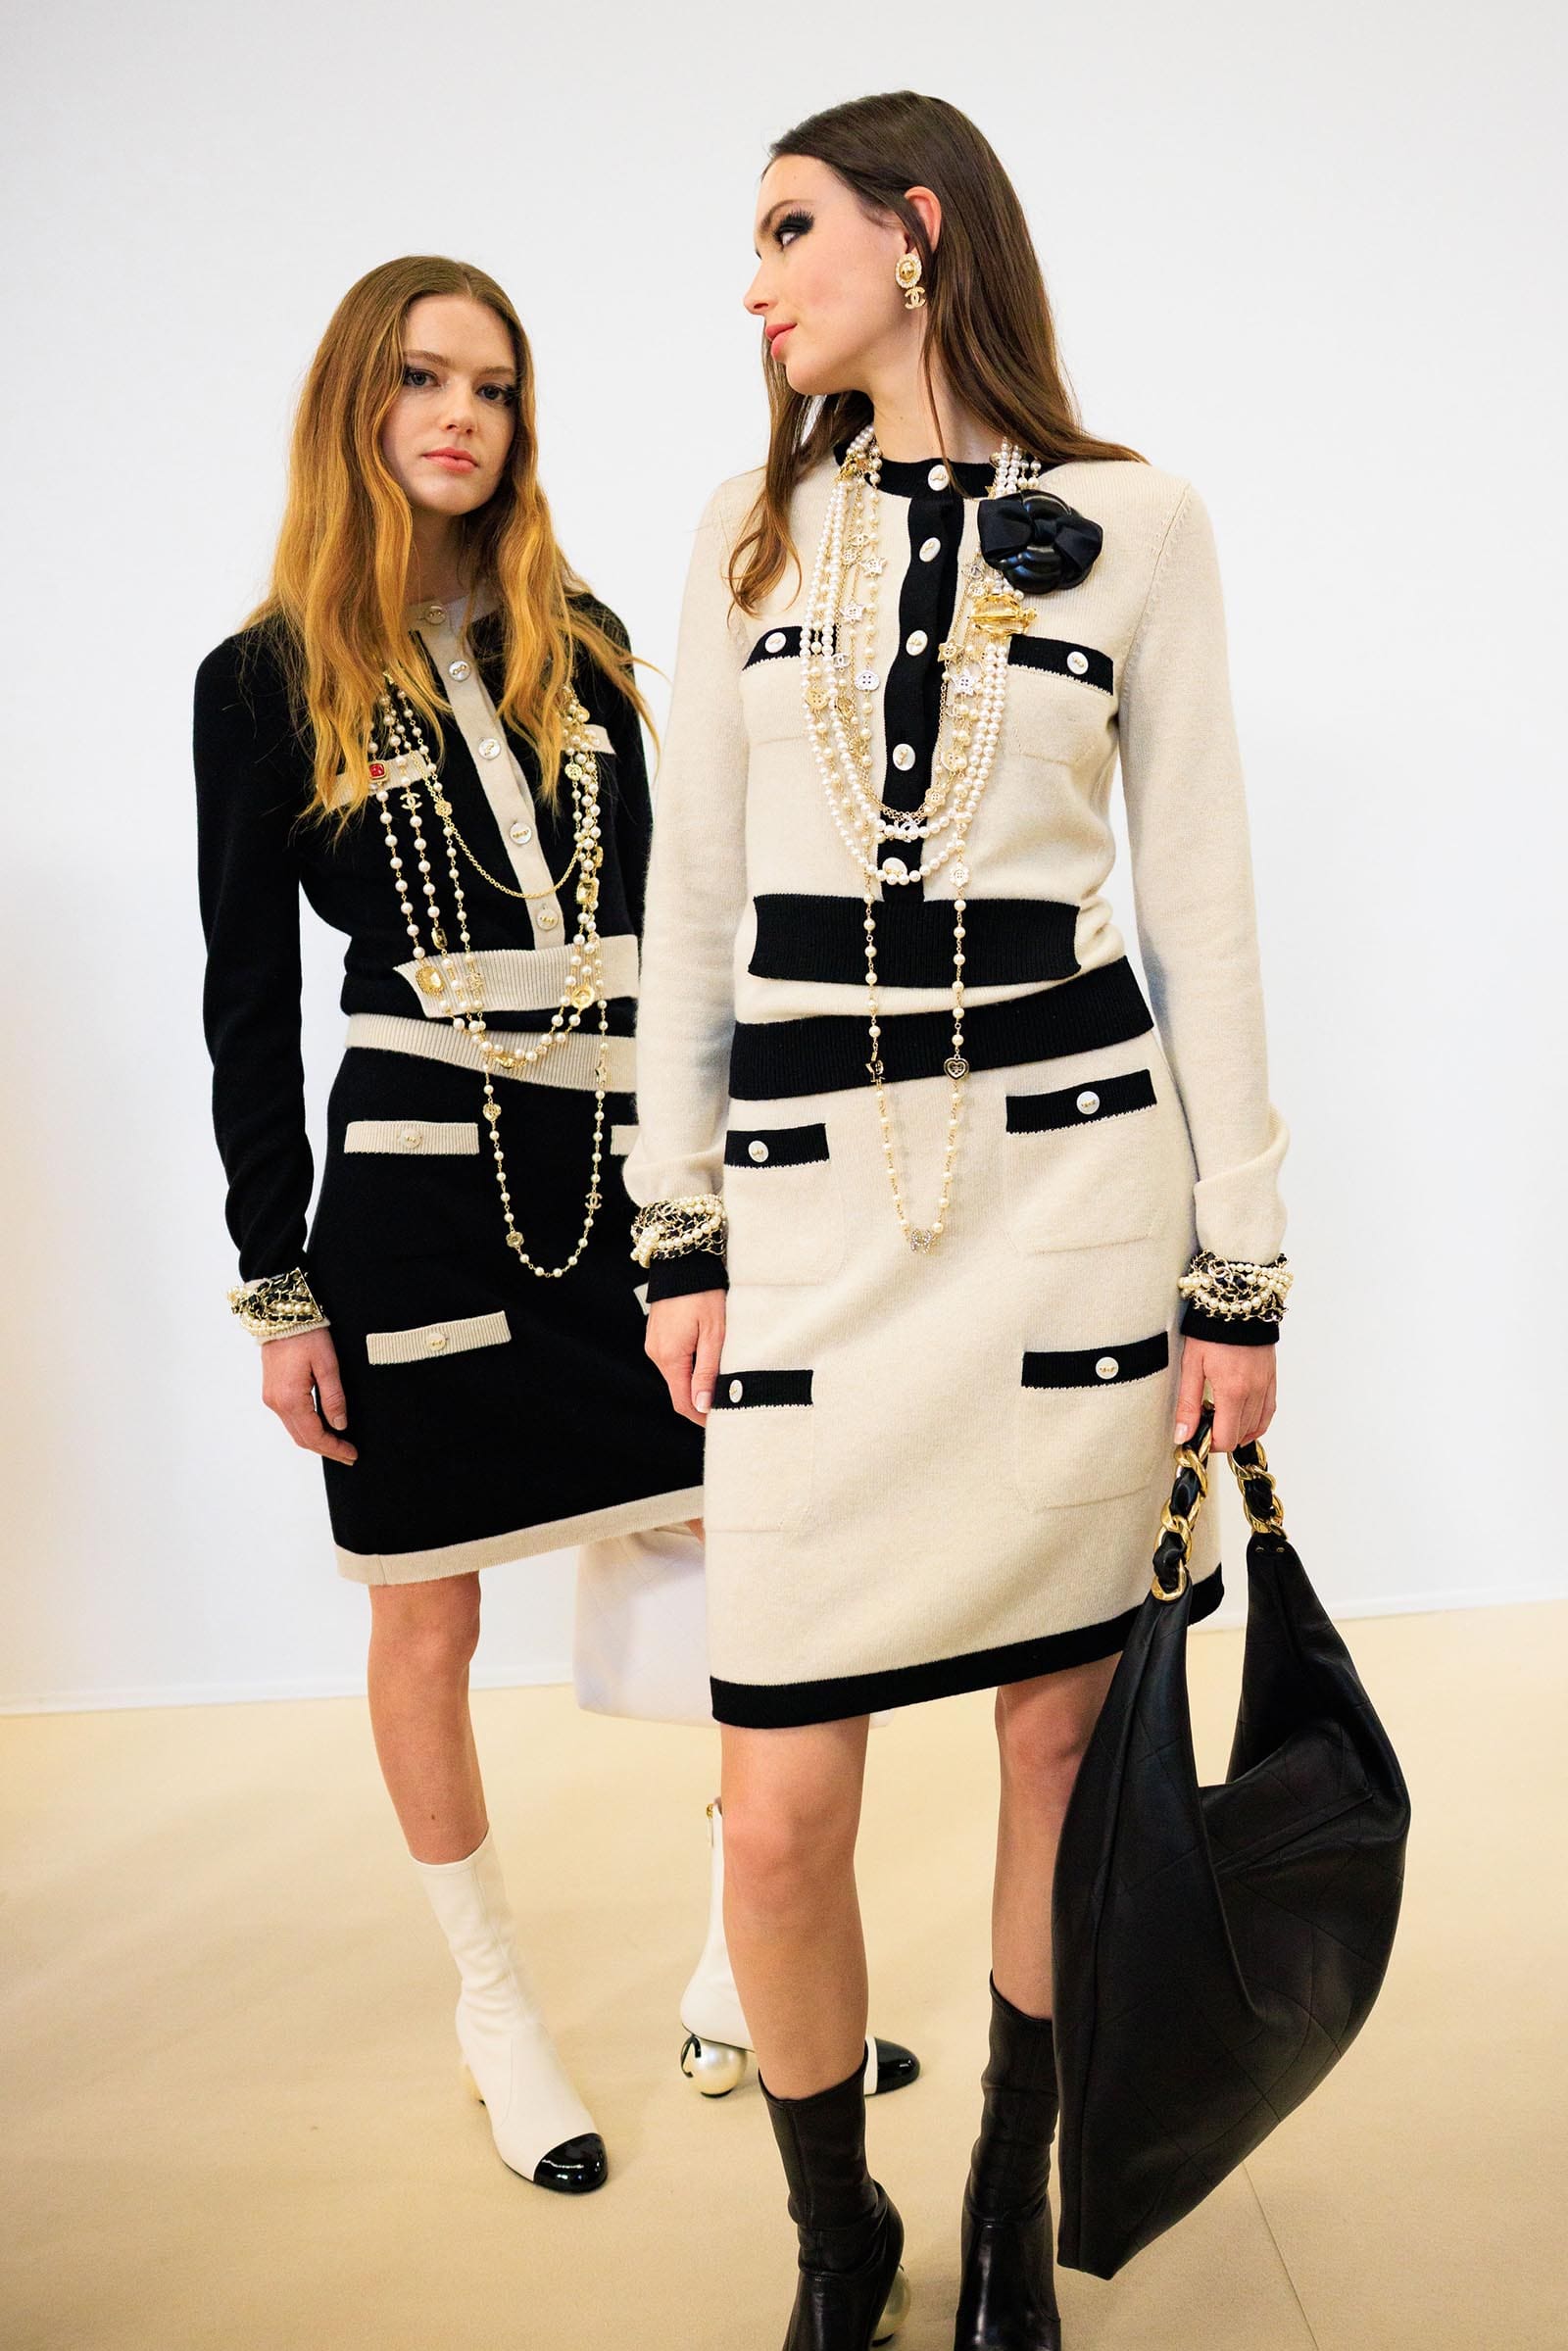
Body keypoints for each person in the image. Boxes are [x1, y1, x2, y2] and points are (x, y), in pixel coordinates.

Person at [628, 91, 1291, 2349]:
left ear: (915, 234)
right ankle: (839, 2233)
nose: (751, 283)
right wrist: (676, 1225)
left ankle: (1007, 2206)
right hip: (813, 1224)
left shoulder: (1135, 524)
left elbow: (1198, 908)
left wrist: (1236, 1269)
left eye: (784, 231)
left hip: (1069, 1202)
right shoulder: (745, 534)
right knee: (774, 1811)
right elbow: (691, 910)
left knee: (1052, 1753)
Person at [193, 256, 711, 2196]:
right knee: (427, 1605)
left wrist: (718, 1202)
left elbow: (681, 934)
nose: (464, 416)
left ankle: (750, 1952)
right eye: (425, 378)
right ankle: (495, 2006)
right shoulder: (263, 681)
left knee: (744, 1539)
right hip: (412, 1189)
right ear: (362, 401)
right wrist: (277, 1283)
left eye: (493, 387)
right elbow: (247, 1000)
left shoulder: (584, 642)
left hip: (626, 1178)